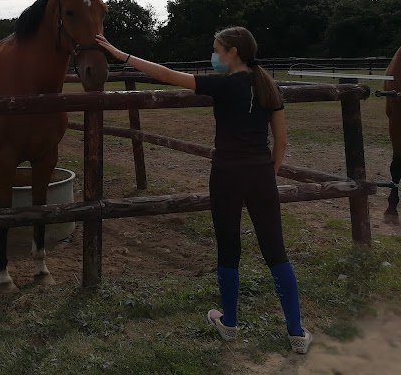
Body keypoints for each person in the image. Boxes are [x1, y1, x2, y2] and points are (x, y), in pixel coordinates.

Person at [95, 26, 312, 355]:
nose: (214, 56)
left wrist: (121, 55)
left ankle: (230, 323)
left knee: (229, 248)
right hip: (261, 175)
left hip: (226, 175)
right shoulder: (268, 86)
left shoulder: (222, 85)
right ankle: (296, 332)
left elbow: (165, 75)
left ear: (233, 52)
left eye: (217, 49)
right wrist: (267, 175)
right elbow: (281, 142)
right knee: (275, 251)